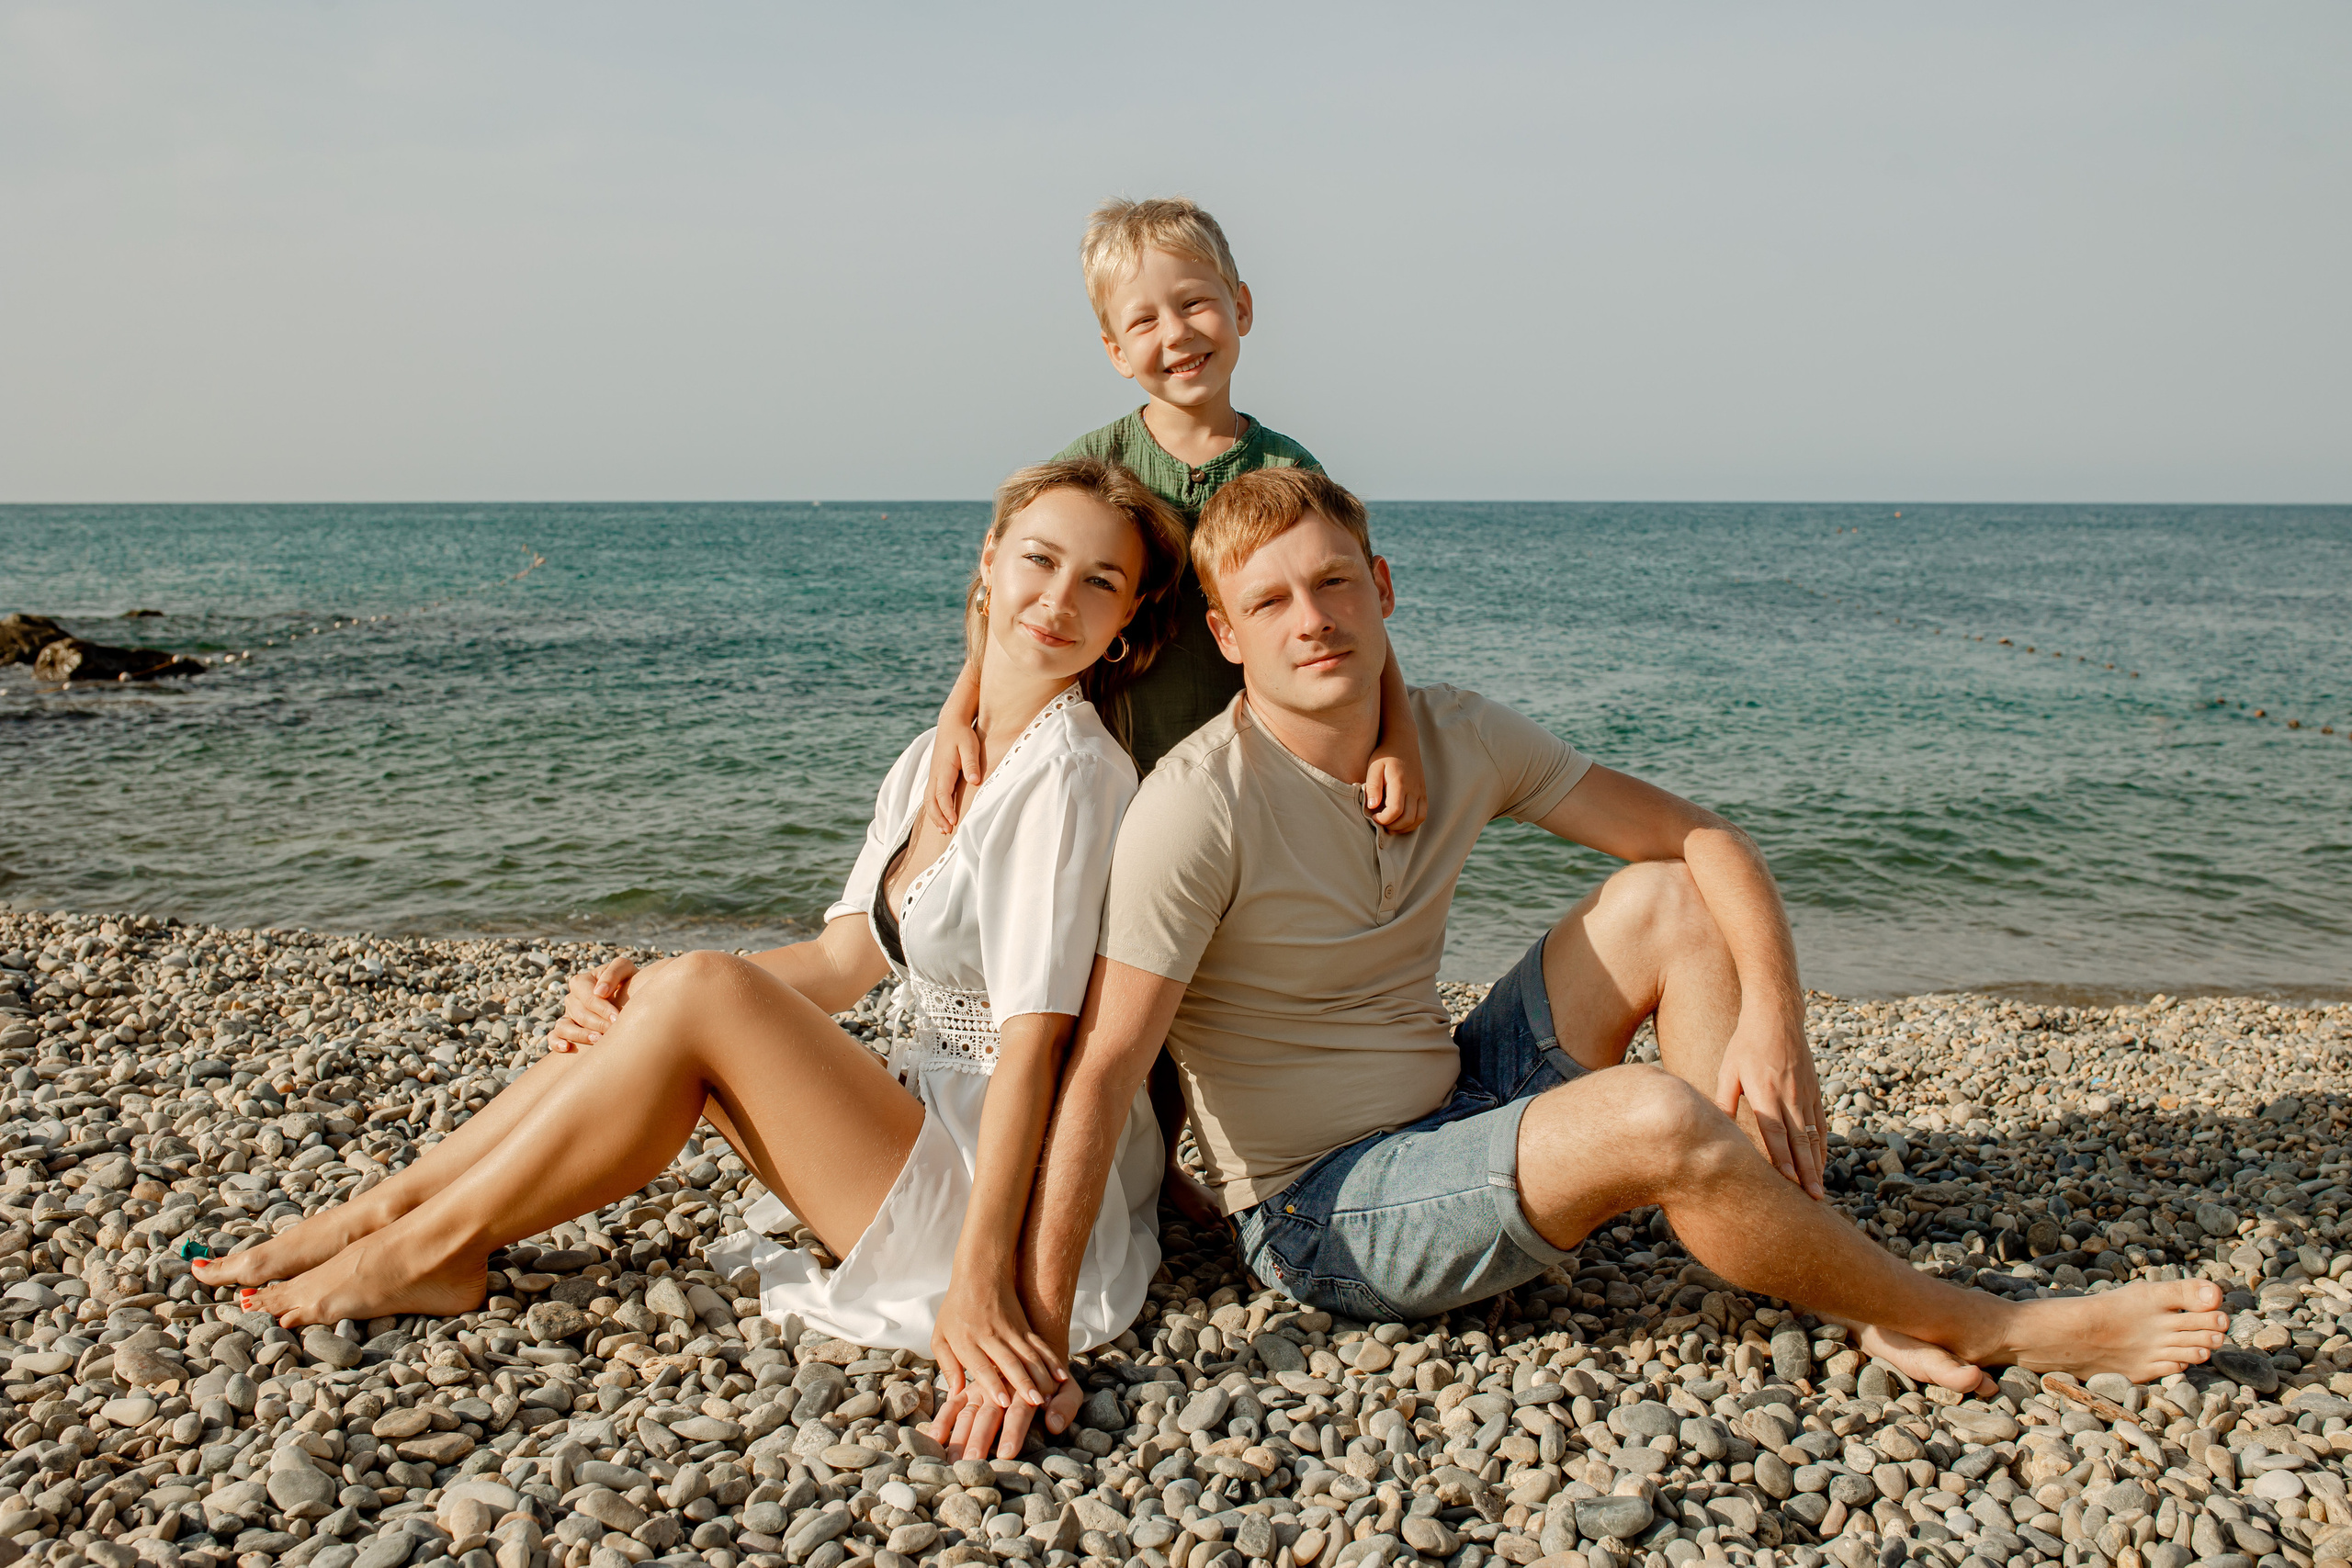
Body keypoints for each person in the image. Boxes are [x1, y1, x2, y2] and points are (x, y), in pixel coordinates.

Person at [1014, 467, 2229, 1429]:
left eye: (1333, 582)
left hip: (1458, 1096)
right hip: (1326, 1211)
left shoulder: (1459, 734)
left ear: (1382, 585)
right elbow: (1110, 1063)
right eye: (1271, 601)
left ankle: (1805, 1254)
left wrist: (1776, 1021)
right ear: (1225, 635)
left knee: (1664, 897)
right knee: (1653, 1114)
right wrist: (1036, 1322)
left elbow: (1702, 835)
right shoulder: (1199, 804)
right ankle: (1983, 1320)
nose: (1313, 619)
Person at [194, 457, 1191, 1461]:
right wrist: (645, 996)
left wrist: (984, 1276)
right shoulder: (941, 755)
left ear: (1129, 615)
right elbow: (846, 958)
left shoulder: (1068, 774)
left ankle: (426, 1246)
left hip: (1000, 1194)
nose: (1058, 599)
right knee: (671, 990)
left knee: (703, 986)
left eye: (1099, 581)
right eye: (1039, 560)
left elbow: (1037, 1050)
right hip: (930, 1121)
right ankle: (389, 1212)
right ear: (988, 561)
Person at [924, 197, 1430, 1221]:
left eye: (1194, 305)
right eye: (1144, 323)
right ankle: (1127, 1195)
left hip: (1240, 783)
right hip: (1111, 769)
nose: (1176, 336)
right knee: (1106, 991)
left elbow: (1347, 609)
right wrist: (958, 710)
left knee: (1205, 988)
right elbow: (1006, 601)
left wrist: (1401, 735)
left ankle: (1213, 1182)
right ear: (1114, 349)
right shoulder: (1099, 463)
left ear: (1240, 308)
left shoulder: (1287, 470)